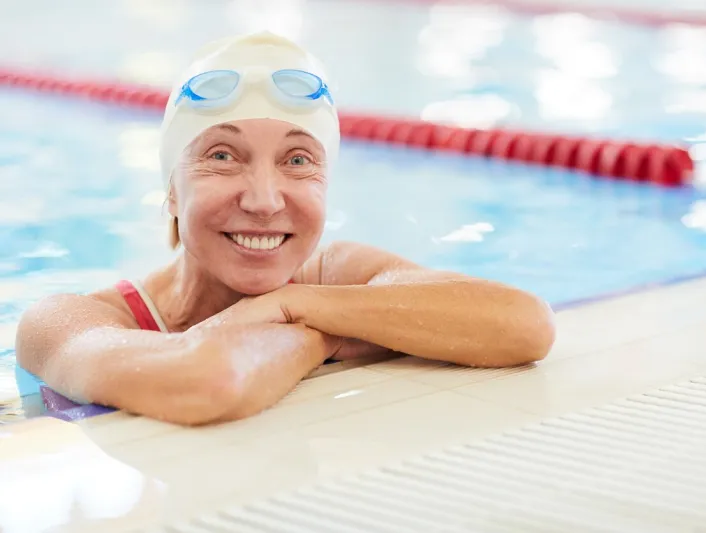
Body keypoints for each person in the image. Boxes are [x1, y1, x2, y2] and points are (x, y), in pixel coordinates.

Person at [14, 31, 555, 426]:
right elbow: (208, 380)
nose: (264, 200)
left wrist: (295, 305)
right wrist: (329, 329)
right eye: (223, 156)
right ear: (172, 189)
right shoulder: (66, 320)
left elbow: (524, 324)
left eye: (298, 161)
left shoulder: (338, 272)